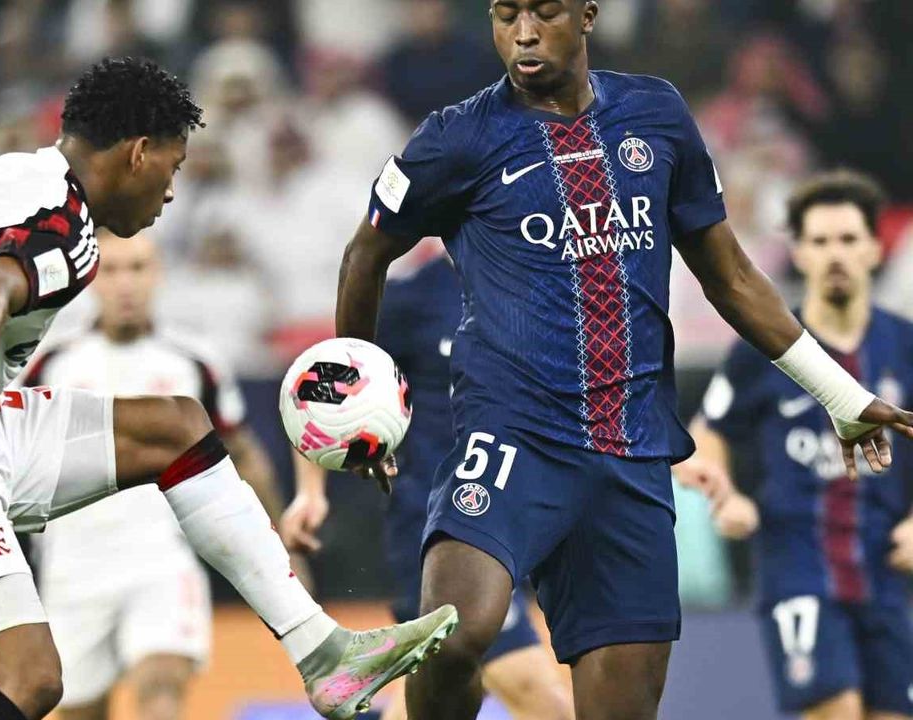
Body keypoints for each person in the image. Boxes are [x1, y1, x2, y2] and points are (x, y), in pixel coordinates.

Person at [0, 57, 456, 720]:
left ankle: (323, 652)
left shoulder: (15, 174)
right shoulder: (68, 229)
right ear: (139, 153)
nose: (170, 192)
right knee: (28, 680)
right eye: (172, 168)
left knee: (176, 427)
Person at [331, 3, 913, 719]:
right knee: (453, 637)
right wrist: (360, 397)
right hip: (513, 439)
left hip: (631, 456)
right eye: (505, 14)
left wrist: (840, 395)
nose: (523, 32)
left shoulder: (655, 114)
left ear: (587, 15)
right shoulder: (456, 137)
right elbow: (365, 255)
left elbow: (731, 277)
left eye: (543, 11)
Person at [282, 247, 574, 720]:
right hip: (439, 525)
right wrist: (310, 491)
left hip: (511, 519)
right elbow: (323, 386)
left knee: (435, 691)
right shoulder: (411, 299)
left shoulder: (536, 289)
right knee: (538, 695)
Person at [21, 228, 286, 720]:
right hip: (72, 565)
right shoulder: (50, 365)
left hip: (160, 557)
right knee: (79, 711)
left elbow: (242, 453)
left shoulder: (193, 362)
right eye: (112, 270)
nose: (126, 283)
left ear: (158, 274)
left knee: (161, 684)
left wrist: (282, 541)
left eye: (138, 268)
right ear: (92, 279)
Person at [678, 171, 913, 720]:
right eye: (820, 241)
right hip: (798, 567)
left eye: (848, 239)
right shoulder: (765, 348)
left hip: (885, 572)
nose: (836, 254)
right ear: (799, 253)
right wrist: (723, 493)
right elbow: (708, 431)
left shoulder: (904, 345)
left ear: (874, 249)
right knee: (836, 710)